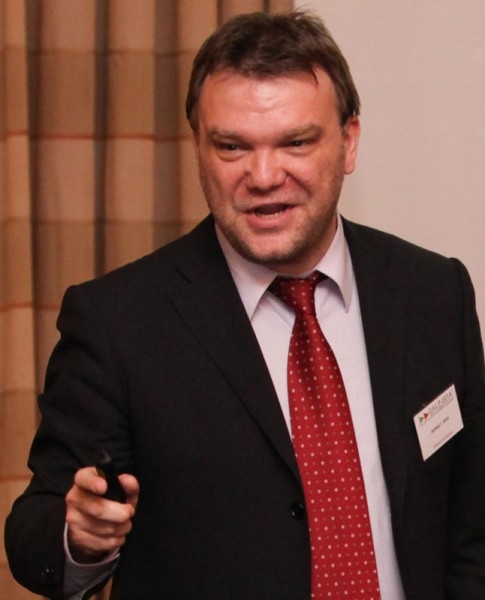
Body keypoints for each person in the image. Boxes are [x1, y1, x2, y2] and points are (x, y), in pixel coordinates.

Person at [5, 10, 485, 600]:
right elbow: (36, 534)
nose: (262, 176)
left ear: (349, 142)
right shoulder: (118, 322)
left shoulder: (435, 294)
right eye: (232, 146)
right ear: (198, 149)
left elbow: (471, 528)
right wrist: (80, 538)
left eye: (296, 142)